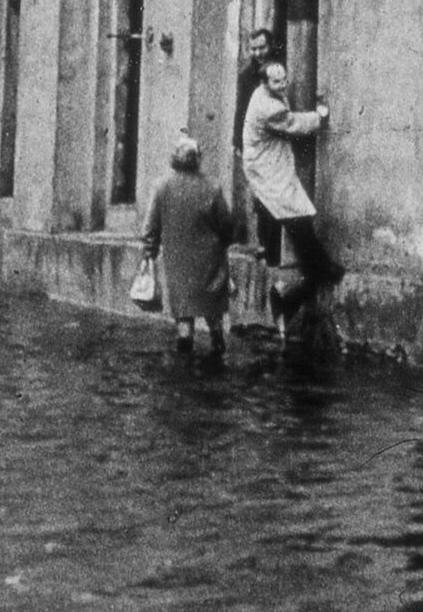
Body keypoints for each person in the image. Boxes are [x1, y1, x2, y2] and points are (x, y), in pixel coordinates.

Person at [241, 60, 345, 337]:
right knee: (295, 216)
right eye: (276, 82)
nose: (283, 84)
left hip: (271, 160)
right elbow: (293, 123)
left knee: (297, 215)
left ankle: (300, 286)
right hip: (265, 166)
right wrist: (320, 116)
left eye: (284, 79)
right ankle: (321, 268)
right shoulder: (268, 105)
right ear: (265, 83)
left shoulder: (267, 94)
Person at [141, 132, 233, 363]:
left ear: (174, 158)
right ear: (197, 158)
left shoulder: (161, 187)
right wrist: (222, 243)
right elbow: (227, 224)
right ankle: (218, 349)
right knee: (213, 310)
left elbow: (151, 226)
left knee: (184, 313)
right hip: (210, 260)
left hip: (178, 262)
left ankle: (185, 364)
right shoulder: (213, 187)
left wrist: (149, 253)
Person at [234, 28, 280, 256]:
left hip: (276, 141)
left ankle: (276, 245)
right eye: (253, 48)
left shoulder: (278, 71)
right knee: (260, 194)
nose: (258, 52)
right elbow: (241, 110)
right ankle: (265, 244)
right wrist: (238, 143)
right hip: (255, 143)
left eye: (262, 47)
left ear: (270, 46)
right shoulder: (246, 76)